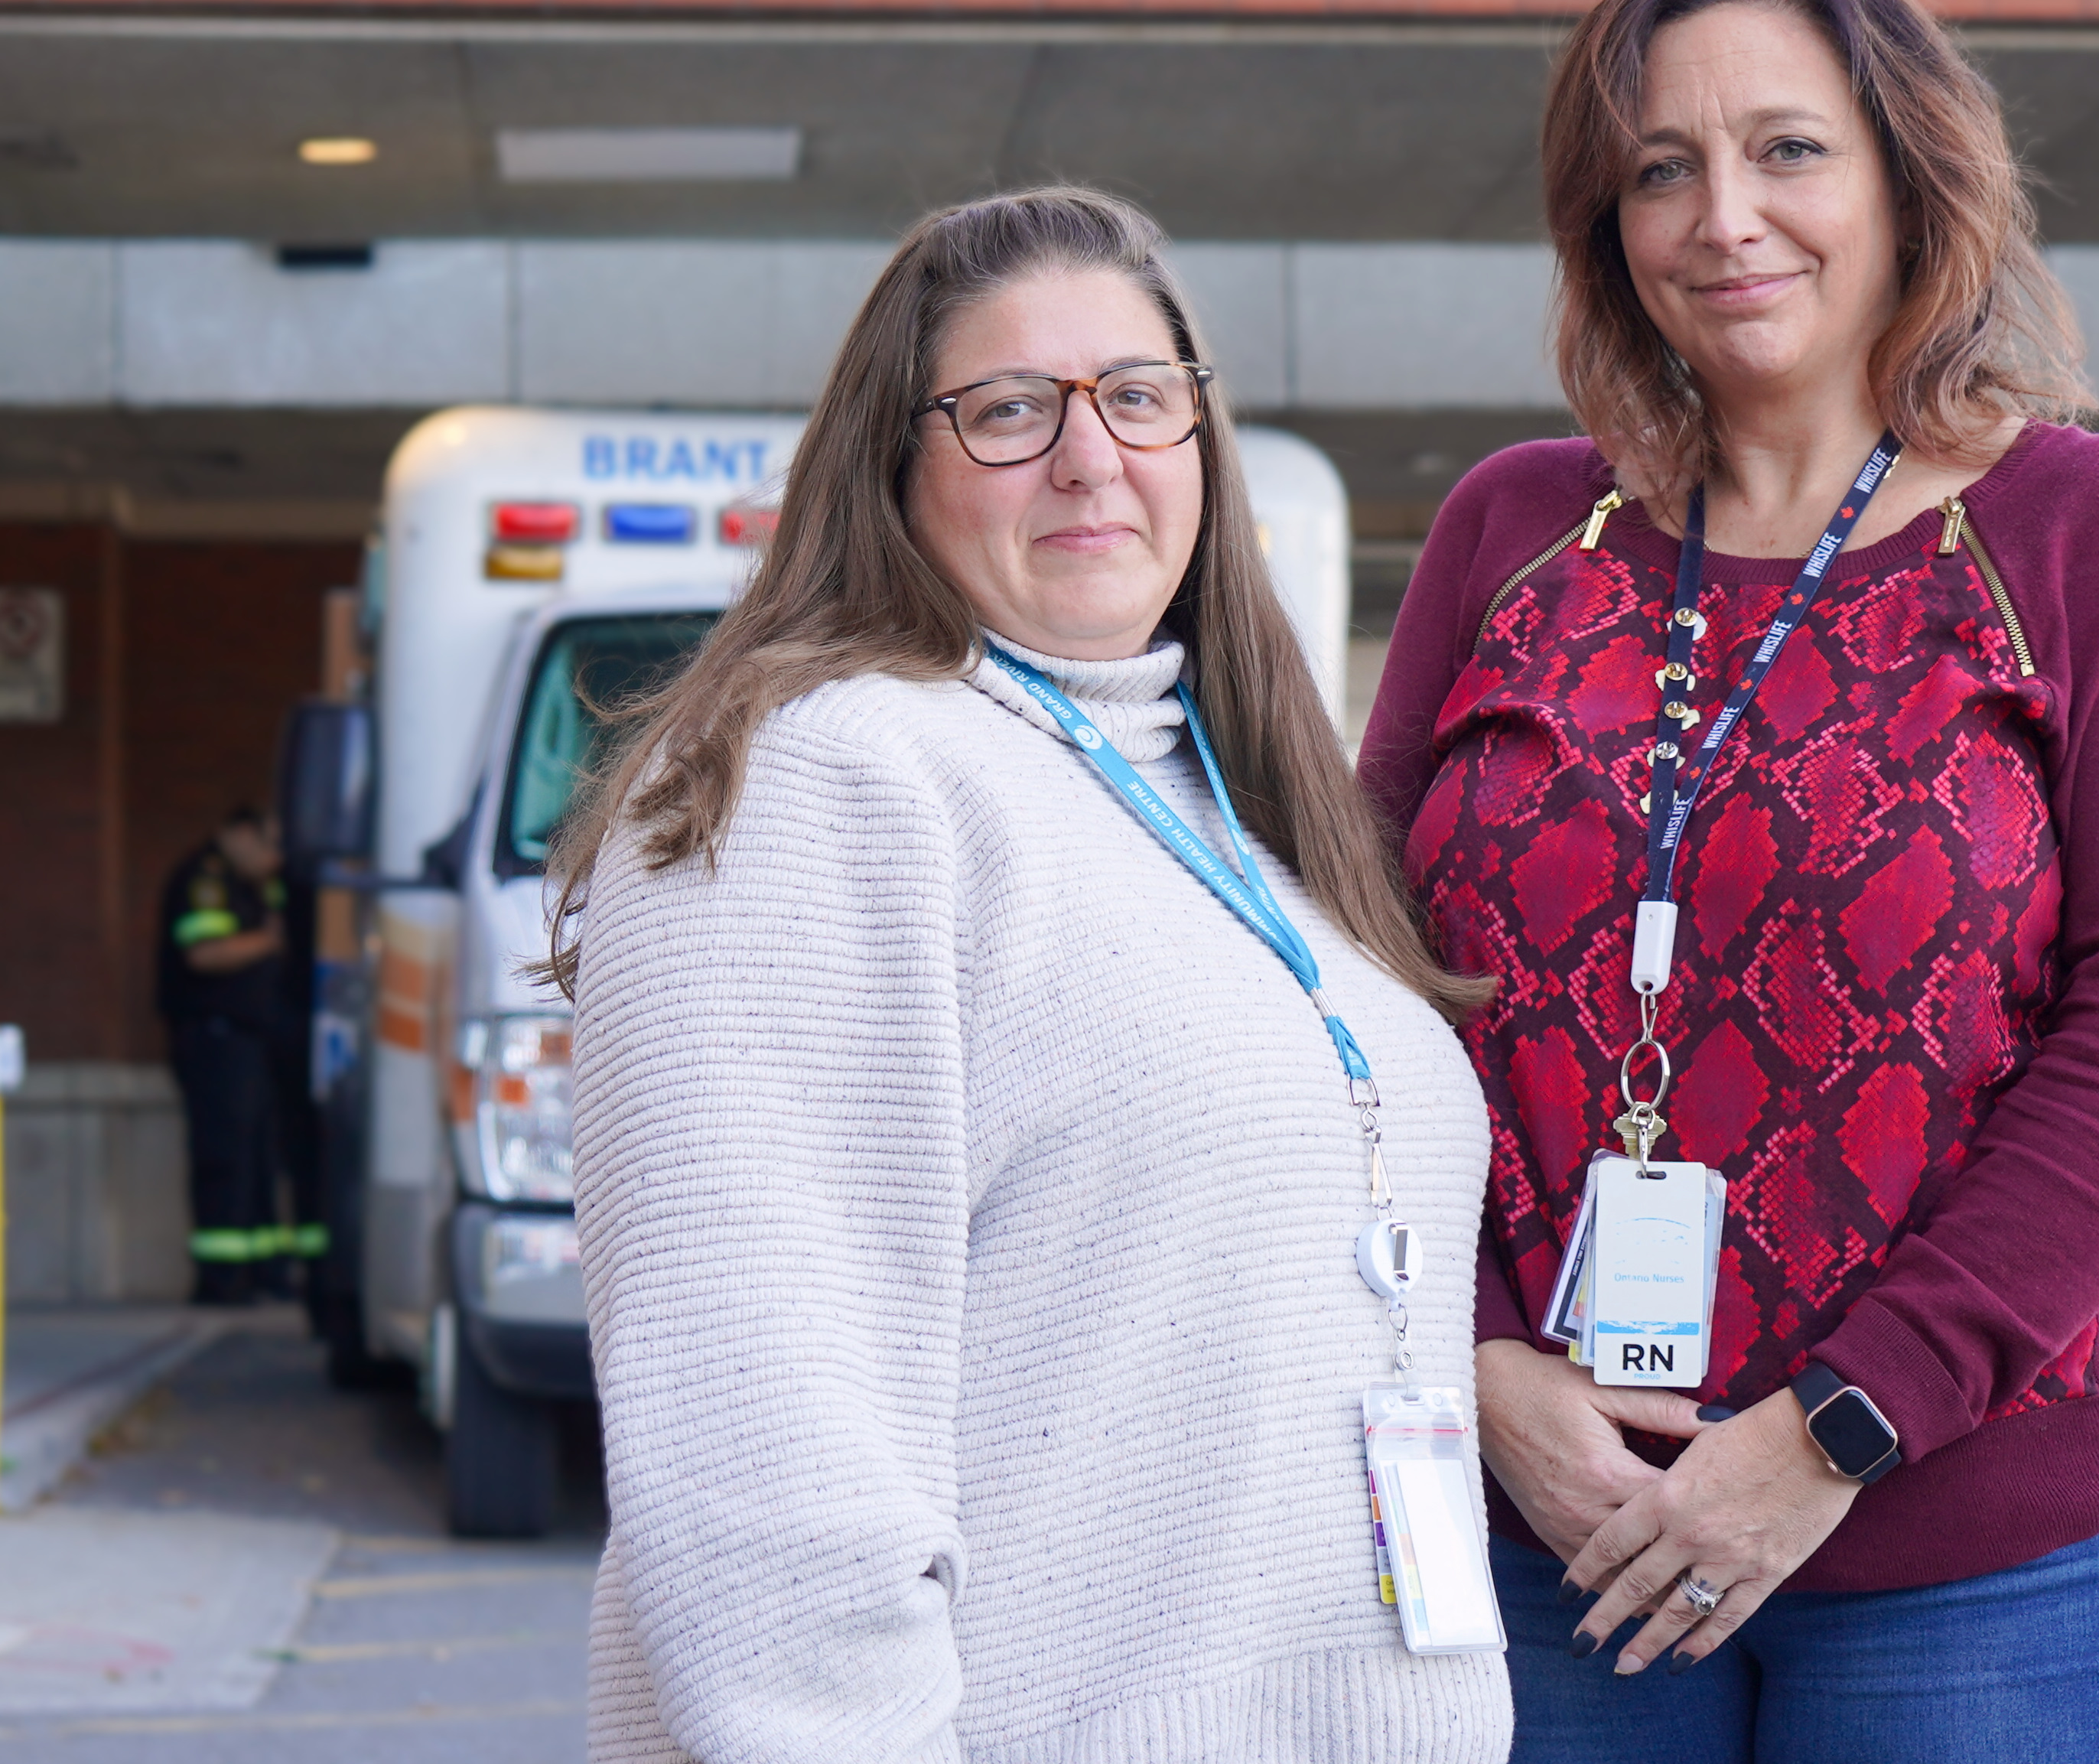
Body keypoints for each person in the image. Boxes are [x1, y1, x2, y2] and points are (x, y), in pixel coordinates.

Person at [1360, 0, 2099, 1761]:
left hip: (1992, 1553)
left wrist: (1838, 1427)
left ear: (1904, 175)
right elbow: (1358, 1003)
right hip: (1556, 1529)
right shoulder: (1511, 531)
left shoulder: (2095, 530)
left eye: (1786, 148)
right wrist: (1466, 1366)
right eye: (1659, 171)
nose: (1722, 216)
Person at [553, 188, 1512, 1763]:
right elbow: (762, 1435)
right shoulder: (825, 778)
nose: (1089, 454)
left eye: (1138, 397)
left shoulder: (1251, 810)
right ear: (892, 464)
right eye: (1008, 411)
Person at [155, 804, 294, 1307]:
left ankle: (259, 1272)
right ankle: (219, 1279)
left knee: (256, 1156)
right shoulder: (205, 879)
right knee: (223, 1155)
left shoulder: (250, 883)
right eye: (268, 844)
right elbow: (204, 952)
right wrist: (269, 940)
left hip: (251, 1041)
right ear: (239, 834)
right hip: (215, 1039)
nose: (275, 859)